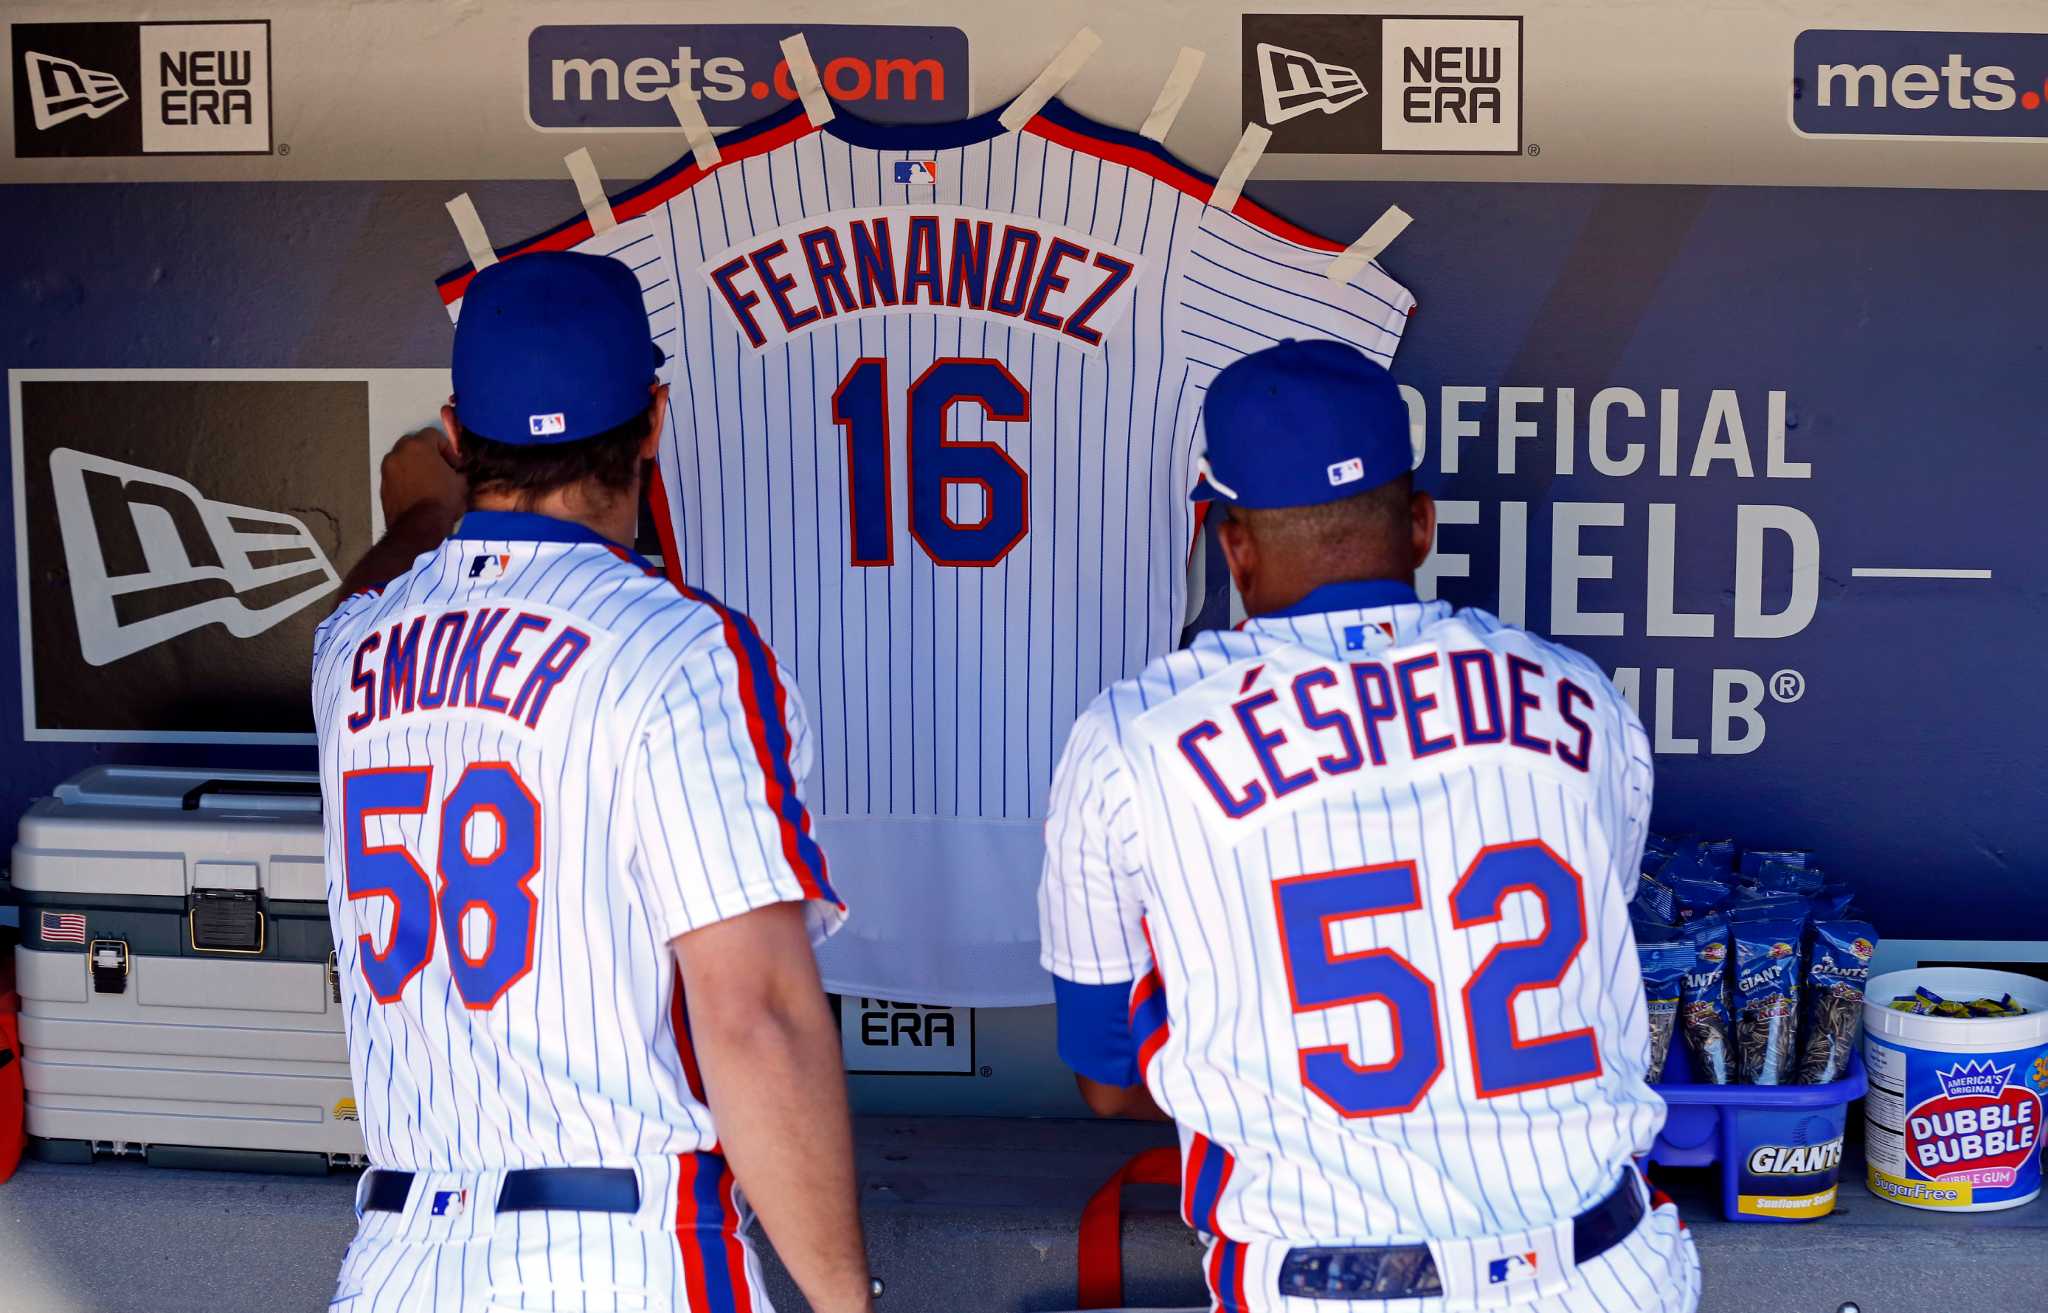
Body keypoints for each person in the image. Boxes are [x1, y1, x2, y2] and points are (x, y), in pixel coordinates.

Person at [1037, 339, 1699, 1313]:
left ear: (1234, 543)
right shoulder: (1581, 704)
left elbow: (1106, 1071)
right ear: (1421, 523)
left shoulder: (1135, 742)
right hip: (1598, 1272)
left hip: (1329, 1284)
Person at [312, 251, 871, 1313]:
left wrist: (424, 507)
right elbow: (751, 1011)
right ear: (651, 419)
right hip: (616, 1253)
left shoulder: (350, 649)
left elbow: (392, 582)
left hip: (391, 1258)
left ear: (455, 430)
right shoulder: (681, 650)